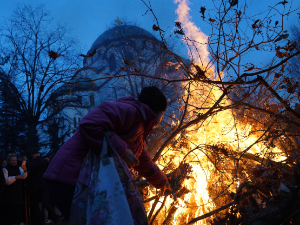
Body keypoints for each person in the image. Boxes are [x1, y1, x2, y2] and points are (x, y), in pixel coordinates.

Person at [44, 86, 172, 222]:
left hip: (78, 181)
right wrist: (123, 150)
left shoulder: (137, 128)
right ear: (156, 112)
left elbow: (144, 162)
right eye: (162, 113)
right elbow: (89, 124)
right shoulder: (129, 111)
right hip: (68, 179)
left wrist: (163, 182)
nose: (162, 118)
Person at [26, 152, 61, 225]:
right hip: (36, 186)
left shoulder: (41, 161)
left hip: (42, 186)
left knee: (45, 202)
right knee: (34, 204)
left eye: (32, 155)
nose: (31, 156)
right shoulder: (37, 161)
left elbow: (32, 166)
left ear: (36, 154)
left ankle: (55, 218)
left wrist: (26, 161)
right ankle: (40, 220)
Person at [2, 154, 27, 225]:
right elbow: (6, 181)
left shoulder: (18, 168)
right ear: (9, 161)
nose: (14, 162)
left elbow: (23, 177)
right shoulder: (5, 169)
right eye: (12, 160)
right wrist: (15, 177)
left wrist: (25, 171)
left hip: (18, 193)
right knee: (11, 214)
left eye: (15, 160)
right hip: (9, 195)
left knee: (18, 213)